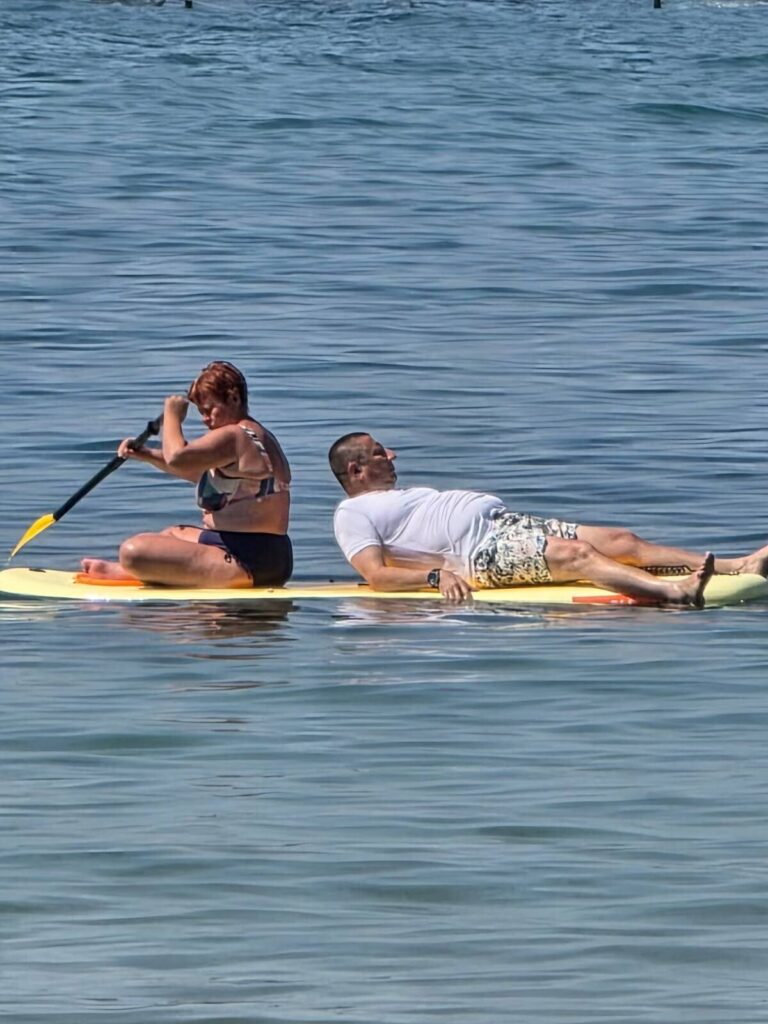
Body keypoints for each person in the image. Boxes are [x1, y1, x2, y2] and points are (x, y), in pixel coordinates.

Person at [328, 432, 768, 607]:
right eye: (380, 453)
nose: (392, 455)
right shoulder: (352, 513)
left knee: (621, 540)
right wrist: (435, 576)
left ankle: (739, 564)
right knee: (577, 555)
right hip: (480, 555)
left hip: (506, 525)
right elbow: (376, 575)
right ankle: (674, 593)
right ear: (356, 470)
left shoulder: (401, 495)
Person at [81, 361, 292, 588]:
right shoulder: (256, 436)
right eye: (201, 412)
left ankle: (127, 570)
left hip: (251, 559)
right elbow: (195, 471)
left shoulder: (235, 436)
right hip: (262, 553)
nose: (205, 419)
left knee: (133, 550)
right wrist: (145, 454)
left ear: (233, 398)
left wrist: (172, 416)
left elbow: (177, 457)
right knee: (172, 534)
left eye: (209, 410)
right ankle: (136, 572)